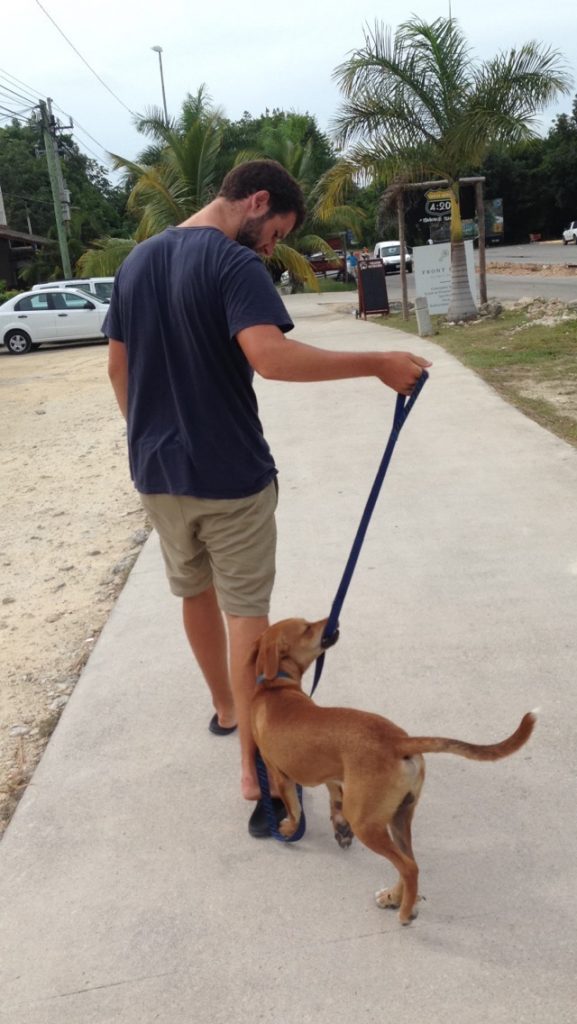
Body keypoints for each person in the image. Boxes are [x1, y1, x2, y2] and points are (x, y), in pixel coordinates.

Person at [105, 159, 431, 838]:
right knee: (245, 617)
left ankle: (228, 712)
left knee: (193, 595)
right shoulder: (232, 264)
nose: (266, 246)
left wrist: (145, 439)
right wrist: (375, 363)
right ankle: (259, 774)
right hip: (230, 475)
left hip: (157, 474)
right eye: (273, 229)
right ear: (256, 201)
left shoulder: (136, 262)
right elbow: (270, 357)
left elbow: (118, 365)